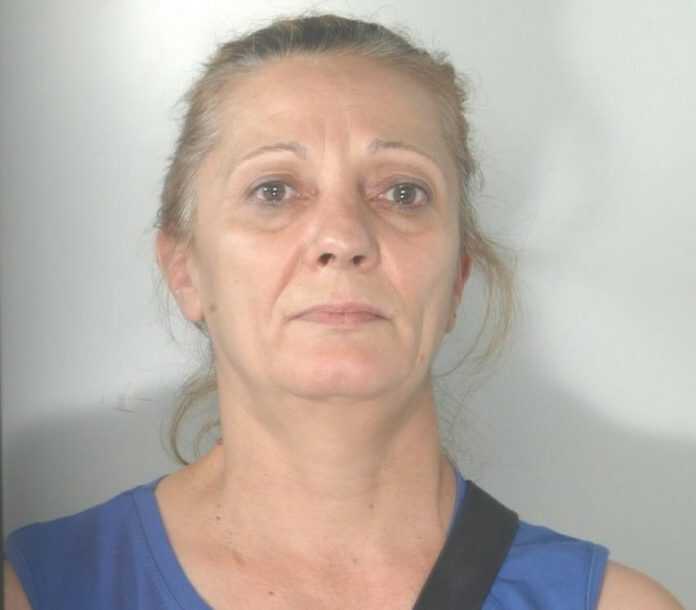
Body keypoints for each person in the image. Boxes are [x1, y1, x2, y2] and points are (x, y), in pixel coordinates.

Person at [3, 12, 684, 610]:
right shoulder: (40, 592)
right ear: (185, 270)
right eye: (275, 190)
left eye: (403, 193)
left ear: (457, 278)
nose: (343, 236)